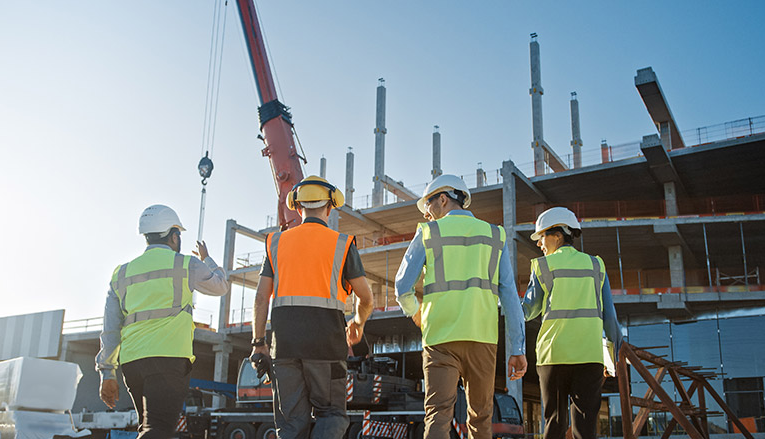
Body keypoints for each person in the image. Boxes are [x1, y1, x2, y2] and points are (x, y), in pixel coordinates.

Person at [394, 174, 527, 439]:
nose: (428, 214)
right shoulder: (494, 235)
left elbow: (402, 286)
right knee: (481, 417)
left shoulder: (429, 232)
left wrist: (415, 312)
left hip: (440, 339)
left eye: (429, 206)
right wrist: (517, 348)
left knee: (438, 416)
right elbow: (510, 295)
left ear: (442, 199)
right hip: (483, 339)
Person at [251, 176, 374, 439]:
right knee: (330, 416)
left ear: (298, 207)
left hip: (284, 349)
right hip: (326, 348)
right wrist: (358, 324)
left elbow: (261, 298)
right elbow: (367, 297)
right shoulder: (342, 244)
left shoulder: (275, 243)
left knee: (292, 425)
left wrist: (258, 343)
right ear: (329, 208)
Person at [96, 204, 231, 439]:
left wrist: (107, 373)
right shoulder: (186, 264)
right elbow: (220, 286)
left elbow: (110, 329)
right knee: (157, 430)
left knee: (148, 428)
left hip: (133, 363)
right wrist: (207, 259)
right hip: (168, 360)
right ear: (174, 235)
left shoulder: (122, 273)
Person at [521, 207, 623, 439]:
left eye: (542, 237)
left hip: (553, 357)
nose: (539, 244)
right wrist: (612, 359)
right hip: (589, 357)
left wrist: (499, 301)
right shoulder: (596, 265)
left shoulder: (543, 267)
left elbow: (527, 310)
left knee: (554, 423)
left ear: (558, 235)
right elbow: (609, 317)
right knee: (585, 428)